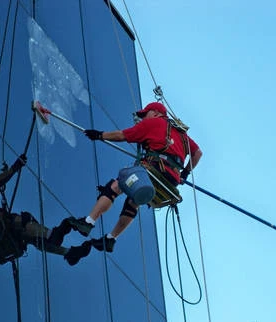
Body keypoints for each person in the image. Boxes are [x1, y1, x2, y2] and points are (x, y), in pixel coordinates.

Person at [51, 102, 202, 254]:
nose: (143, 118)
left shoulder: (154, 123)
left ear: (156, 113)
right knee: (134, 200)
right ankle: (111, 238)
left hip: (154, 170)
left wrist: (99, 135)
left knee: (119, 182)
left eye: (145, 114)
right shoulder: (183, 136)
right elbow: (197, 154)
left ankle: (88, 222)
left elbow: (122, 135)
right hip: (170, 182)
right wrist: (185, 173)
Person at [0, 154, 90, 265]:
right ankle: (62, 228)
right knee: (24, 221)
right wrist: (15, 167)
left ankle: (68, 253)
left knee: (33, 239)